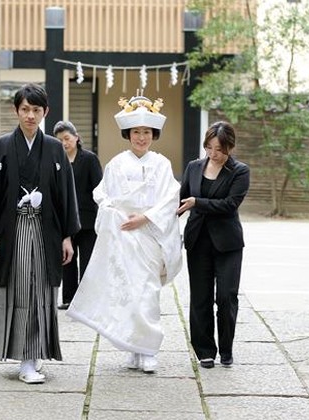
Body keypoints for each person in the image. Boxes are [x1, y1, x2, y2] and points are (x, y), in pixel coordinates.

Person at [0, 83, 80, 384]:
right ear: (16, 111)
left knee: (41, 290)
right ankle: (25, 359)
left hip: (46, 232)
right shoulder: (1, 148)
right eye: (25, 109)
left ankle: (33, 356)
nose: (30, 115)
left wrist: (67, 236)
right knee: (20, 290)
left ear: (45, 112)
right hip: (12, 231)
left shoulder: (55, 148)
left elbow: (65, 196)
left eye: (36, 110)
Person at [66, 95, 182, 373]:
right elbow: (102, 196)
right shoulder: (117, 164)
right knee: (128, 293)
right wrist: (115, 215)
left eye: (146, 132)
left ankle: (149, 348)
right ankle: (133, 347)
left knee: (148, 292)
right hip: (124, 236)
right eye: (136, 132)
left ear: (153, 134)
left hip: (149, 235)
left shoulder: (162, 164)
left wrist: (145, 217)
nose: (141, 137)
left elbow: (170, 198)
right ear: (128, 134)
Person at [177, 120, 250, 369]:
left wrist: (198, 202)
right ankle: (205, 350)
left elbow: (230, 204)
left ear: (230, 146)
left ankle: (226, 349)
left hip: (227, 243)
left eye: (219, 149)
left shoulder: (240, 171)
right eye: (209, 148)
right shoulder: (194, 167)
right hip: (198, 241)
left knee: (227, 296)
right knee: (200, 296)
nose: (213, 154)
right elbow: (180, 201)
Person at [52, 121, 103, 310]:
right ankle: (69, 299)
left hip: (88, 220)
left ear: (76, 138)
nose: (64, 143)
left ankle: (87, 301)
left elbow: (99, 188)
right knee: (67, 260)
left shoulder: (89, 159)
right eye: (60, 140)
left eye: (67, 138)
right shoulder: (55, 161)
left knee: (88, 261)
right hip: (65, 221)